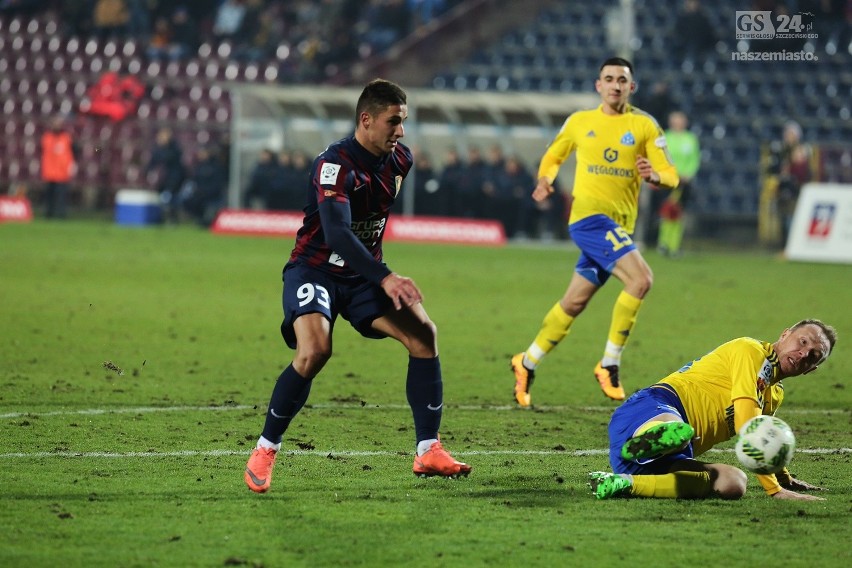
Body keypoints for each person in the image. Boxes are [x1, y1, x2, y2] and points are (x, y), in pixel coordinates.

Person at [244, 79, 471, 494]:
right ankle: (265, 447)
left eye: (403, 121)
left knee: (425, 335)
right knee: (314, 351)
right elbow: (336, 232)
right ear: (365, 120)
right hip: (315, 271)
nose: (400, 131)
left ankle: (428, 448)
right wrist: (384, 276)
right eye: (393, 121)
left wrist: (377, 273)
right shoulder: (334, 165)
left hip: (364, 274)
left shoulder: (401, 159)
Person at [510, 57, 679, 405]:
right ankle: (609, 363)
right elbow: (554, 156)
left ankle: (526, 362)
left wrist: (654, 177)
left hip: (619, 228)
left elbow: (671, 175)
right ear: (597, 85)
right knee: (641, 279)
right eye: (609, 78)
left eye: (622, 79)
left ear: (631, 87)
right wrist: (545, 180)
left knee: (573, 302)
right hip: (588, 219)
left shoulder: (645, 125)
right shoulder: (579, 122)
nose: (615, 84)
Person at [588, 319, 836, 501]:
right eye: (802, 342)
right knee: (677, 431)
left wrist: (785, 479)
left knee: (734, 483)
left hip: (664, 460)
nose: (803, 353)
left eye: (813, 356)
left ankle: (622, 483)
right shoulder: (751, 351)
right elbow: (748, 427)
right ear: (785, 334)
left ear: (810, 370)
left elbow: (764, 440)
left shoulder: (774, 393)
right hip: (650, 408)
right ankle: (651, 440)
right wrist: (775, 491)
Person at [657, 110, 701, 257]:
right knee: (666, 212)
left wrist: (688, 174)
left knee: (678, 214)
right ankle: (663, 243)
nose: (678, 123)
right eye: (676, 120)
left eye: (681, 120)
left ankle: (675, 246)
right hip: (668, 181)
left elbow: (694, 159)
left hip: (684, 182)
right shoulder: (665, 137)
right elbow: (661, 157)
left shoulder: (690, 139)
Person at [40, 116, 77, 219]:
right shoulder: (47, 137)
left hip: (62, 172)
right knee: (49, 195)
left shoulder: (66, 138)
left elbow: (74, 152)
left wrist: (71, 165)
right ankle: (49, 214)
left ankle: (61, 214)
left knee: (61, 196)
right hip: (49, 171)